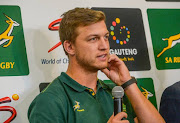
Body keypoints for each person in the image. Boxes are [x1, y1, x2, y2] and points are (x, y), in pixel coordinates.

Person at [28, 7, 165, 123]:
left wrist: (127, 83)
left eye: (106, 37)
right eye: (93, 39)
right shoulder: (49, 101)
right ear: (70, 47)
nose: (104, 46)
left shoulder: (116, 92)